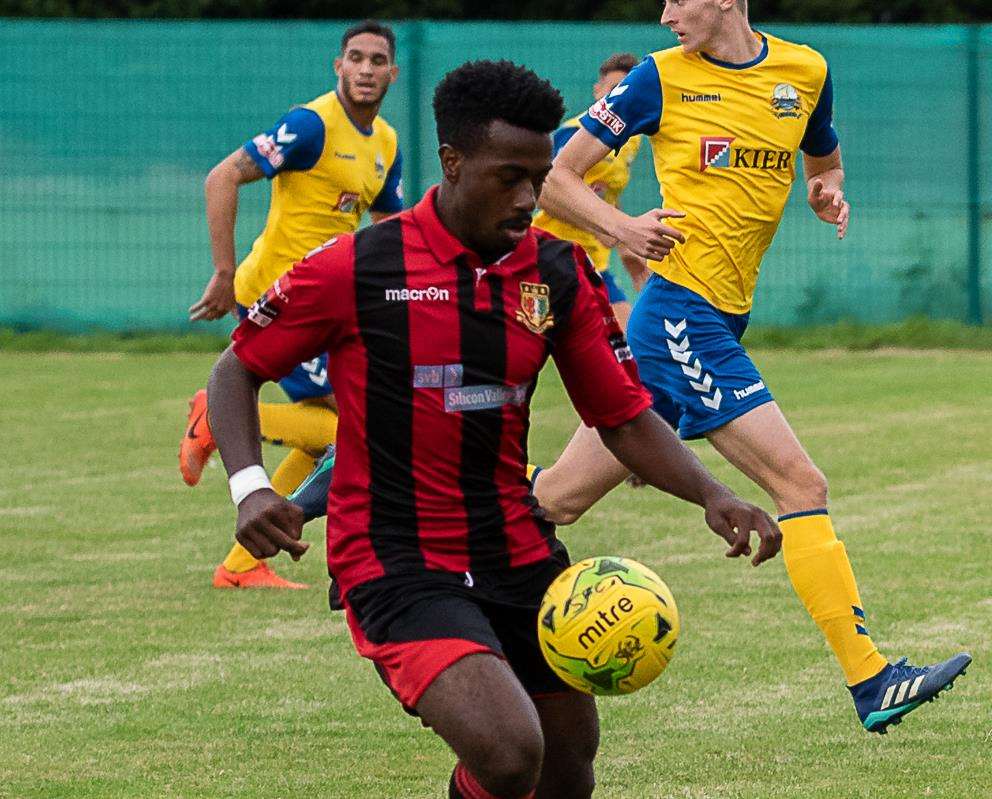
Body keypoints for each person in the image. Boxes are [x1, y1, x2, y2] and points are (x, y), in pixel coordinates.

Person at [205, 60, 780, 799]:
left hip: (515, 542)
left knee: (570, 755)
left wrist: (711, 494)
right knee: (510, 752)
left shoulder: (556, 272)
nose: (529, 198)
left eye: (538, 178)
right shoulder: (358, 267)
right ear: (452, 162)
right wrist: (251, 488)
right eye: (509, 176)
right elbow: (235, 369)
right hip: (394, 557)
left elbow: (622, 415)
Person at [531, 0, 970, 734]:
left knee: (556, 500)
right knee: (801, 483)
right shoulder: (656, 78)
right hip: (681, 316)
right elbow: (555, 175)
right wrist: (622, 225)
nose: (667, 13)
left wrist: (825, 189)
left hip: (714, 317)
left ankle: (412, 536)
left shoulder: (805, 70)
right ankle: (873, 680)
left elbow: (822, 158)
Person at [179, 20, 404, 589]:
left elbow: (390, 229)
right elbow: (222, 177)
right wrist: (226, 273)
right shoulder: (310, 126)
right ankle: (215, 415)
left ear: (392, 73)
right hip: (276, 299)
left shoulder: (386, 143)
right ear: (338, 66)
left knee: (337, 430)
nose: (367, 69)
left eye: (378, 60)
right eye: (356, 58)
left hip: (331, 306)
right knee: (349, 427)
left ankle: (241, 565)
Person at [533, 52, 648, 332]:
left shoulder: (631, 140)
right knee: (530, 342)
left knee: (629, 344)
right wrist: (601, 225)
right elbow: (542, 189)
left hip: (594, 262)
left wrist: (627, 250)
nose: (617, 99)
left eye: (625, 93)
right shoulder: (576, 133)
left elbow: (604, 198)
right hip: (550, 256)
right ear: (597, 91)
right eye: (611, 91)